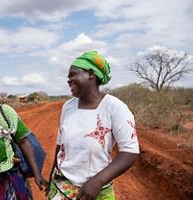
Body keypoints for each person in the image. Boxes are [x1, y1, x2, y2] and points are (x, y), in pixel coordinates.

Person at [47, 51, 140, 200]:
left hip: (95, 191)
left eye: (73, 75)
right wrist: (52, 174)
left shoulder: (115, 107)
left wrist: (98, 181)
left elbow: (130, 150)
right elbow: (61, 145)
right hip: (61, 186)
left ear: (91, 74)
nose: (69, 80)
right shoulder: (68, 106)